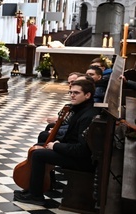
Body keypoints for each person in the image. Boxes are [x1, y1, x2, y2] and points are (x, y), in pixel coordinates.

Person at [14, 77, 100, 206]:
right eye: (70, 92)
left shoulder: (87, 115)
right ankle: (43, 185)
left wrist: (57, 146)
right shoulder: (81, 109)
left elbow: (82, 150)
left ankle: (35, 196)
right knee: (39, 147)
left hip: (83, 161)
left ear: (87, 95)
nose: (72, 95)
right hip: (76, 153)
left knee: (39, 154)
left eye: (76, 93)